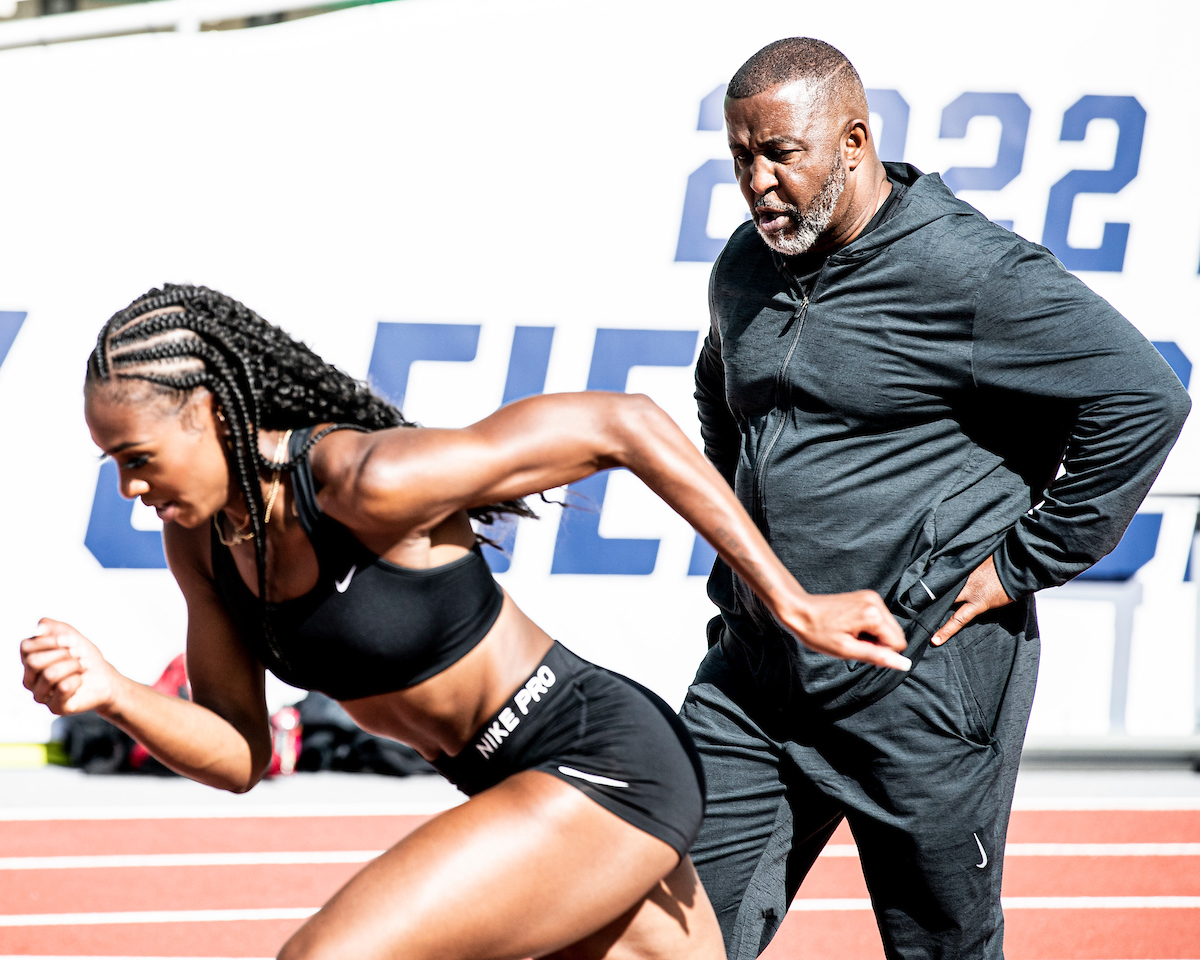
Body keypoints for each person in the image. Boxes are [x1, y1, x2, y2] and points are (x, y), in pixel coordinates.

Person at [20, 284, 911, 960]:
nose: (132, 490)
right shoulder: (209, 547)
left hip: (596, 760)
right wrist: (114, 693)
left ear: (211, 412)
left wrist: (789, 600)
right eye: (113, 466)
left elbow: (623, 423)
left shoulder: (363, 482)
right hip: (510, 787)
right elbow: (242, 752)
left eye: (138, 458)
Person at [681, 37, 1191, 960]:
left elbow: (1145, 398)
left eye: (780, 154)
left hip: (917, 684)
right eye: (740, 156)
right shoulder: (745, 268)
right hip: (758, 679)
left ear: (852, 143)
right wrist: (747, 541)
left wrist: (1020, 563)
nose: (757, 182)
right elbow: (724, 397)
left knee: (943, 950)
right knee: (667, 931)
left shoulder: (975, 274)